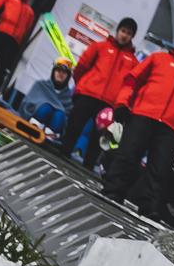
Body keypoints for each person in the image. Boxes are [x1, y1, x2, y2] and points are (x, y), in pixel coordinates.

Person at [102, 27, 174, 222]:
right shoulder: (158, 59)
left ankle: (148, 207)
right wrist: (122, 103)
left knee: (159, 169)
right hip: (143, 115)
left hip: (172, 128)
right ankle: (113, 191)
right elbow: (132, 80)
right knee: (127, 155)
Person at [57, 17, 140, 167]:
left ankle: (88, 167)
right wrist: (82, 86)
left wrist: (120, 104)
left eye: (128, 33)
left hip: (109, 104)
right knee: (74, 126)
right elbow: (82, 66)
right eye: (123, 31)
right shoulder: (100, 47)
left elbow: (131, 86)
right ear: (117, 31)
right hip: (87, 95)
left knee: (99, 138)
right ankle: (63, 154)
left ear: (132, 37)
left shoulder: (133, 62)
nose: (124, 35)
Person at [22, 58, 75, 136]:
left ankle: (50, 137)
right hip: (33, 121)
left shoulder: (68, 97)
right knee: (46, 108)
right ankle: (33, 128)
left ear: (68, 76)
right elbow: (26, 105)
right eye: (58, 70)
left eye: (64, 72)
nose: (61, 74)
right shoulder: (40, 85)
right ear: (53, 72)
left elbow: (67, 121)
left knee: (59, 115)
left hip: (53, 131)